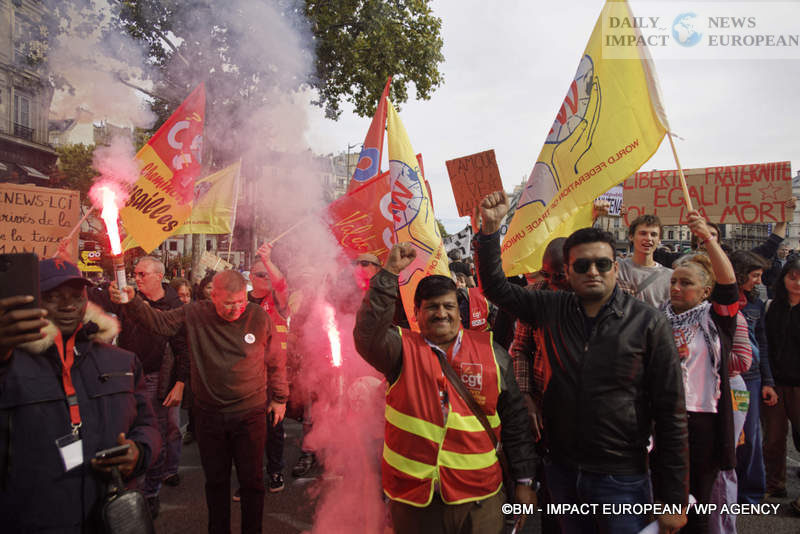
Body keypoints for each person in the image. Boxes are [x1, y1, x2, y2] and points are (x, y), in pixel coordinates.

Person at [474, 191, 688, 534]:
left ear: (616, 268)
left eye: (602, 264)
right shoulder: (549, 308)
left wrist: (673, 498)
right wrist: (489, 229)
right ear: (568, 272)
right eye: (581, 265)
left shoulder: (648, 323)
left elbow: (671, 414)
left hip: (621, 476)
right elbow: (495, 287)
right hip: (561, 469)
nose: (593, 271)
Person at [354, 243, 537, 534]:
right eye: (432, 307)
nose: (441, 313)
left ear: (459, 310)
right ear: (417, 312)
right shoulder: (400, 349)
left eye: (448, 306)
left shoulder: (493, 353)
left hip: (480, 500)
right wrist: (388, 274)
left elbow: (515, 421)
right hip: (414, 501)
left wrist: (525, 481)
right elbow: (366, 335)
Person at [109, 269, 288, 534]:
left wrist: (280, 398)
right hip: (209, 414)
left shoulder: (258, 316)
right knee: (216, 482)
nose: (235, 308)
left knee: (252, 482)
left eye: (240, 301)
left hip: (250, 412)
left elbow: (275, 359)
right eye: (228, 302)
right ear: (212, 296)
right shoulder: (195, 313)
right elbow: (160, 323)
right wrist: (133, 301)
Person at [0, 258, 160, 533]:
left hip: (108, 516)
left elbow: (147, 425)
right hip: (34, 518)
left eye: (77, 296)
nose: (67, 305)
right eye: (52, 297)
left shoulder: (122, 362)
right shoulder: (9, 364)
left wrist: (139, 451)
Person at [91, 256, 190, 517]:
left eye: (143, 274)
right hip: (125, 376)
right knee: (125, 429)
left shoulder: (174, 305)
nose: (137, 278)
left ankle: (151, 492)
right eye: (135, 273)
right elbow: (95, 299)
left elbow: (182, 348)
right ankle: (130, 483)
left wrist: (180, 382)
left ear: (159, 276)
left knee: (158, 433)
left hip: (157, 376)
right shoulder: (126, 297)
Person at [661, 213, 741, 534]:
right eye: (673, 281)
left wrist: (707, 239)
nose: (677, 288)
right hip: (663, 421)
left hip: (703, 423)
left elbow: (730, 285)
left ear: (707, 291)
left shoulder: (717, 319)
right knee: (663, 500)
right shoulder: (655, 321)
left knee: (697, 504)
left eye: (686, 283)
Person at [728, 250, 771, 504]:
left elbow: (763, 343)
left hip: (751, 380)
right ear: (740, 274)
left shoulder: (756, 303)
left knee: (750, 436)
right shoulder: (717, 299)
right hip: (726, 376)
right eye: (754, 275)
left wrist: (769, 382)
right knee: (729, 435)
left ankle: (751, 493)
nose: (758, 281)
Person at [246, 243, 290, 495]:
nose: (266, 278)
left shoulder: (277, 300)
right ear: (251, 277)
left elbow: (282, 283)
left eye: (268, 274)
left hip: (273, 374)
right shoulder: (240, 300)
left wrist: (268, 260)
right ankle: (249, 476)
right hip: (246, 375)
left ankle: (275, 470)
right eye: (260, 274)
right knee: (248, 430)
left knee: (274, 426)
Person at [762, 258, 800, 511]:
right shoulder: (770, 307)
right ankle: (775, 483)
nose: (797, 283)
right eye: (792, 276)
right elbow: (765, 346)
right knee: (773, 439)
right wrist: (768, 381)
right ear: (783, 278)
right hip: (775, 383)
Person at [617, 214, 672, 308]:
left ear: (659, 240)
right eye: (643, 233)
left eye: (653, 234)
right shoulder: (616, 267)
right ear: (631, 236)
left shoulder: (670, 276)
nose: (648, 238)